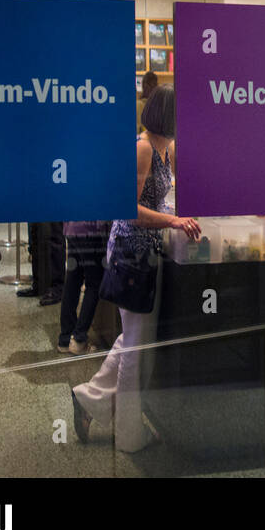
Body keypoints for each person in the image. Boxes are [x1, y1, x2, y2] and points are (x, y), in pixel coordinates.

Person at [71, 86, 200, 452]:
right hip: (131, 252)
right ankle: (128, 434)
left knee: (134, 339)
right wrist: (174, 221)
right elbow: (127, 208)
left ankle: (89, 399)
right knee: (135, 347)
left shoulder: (164, 147)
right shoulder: (143, 148)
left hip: (145, 252)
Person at [57, 220, 111, 355]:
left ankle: (65, 339)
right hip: (91, 229)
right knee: (93, 284)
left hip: (72, 227)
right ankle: (79, 340)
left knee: (73, 280)